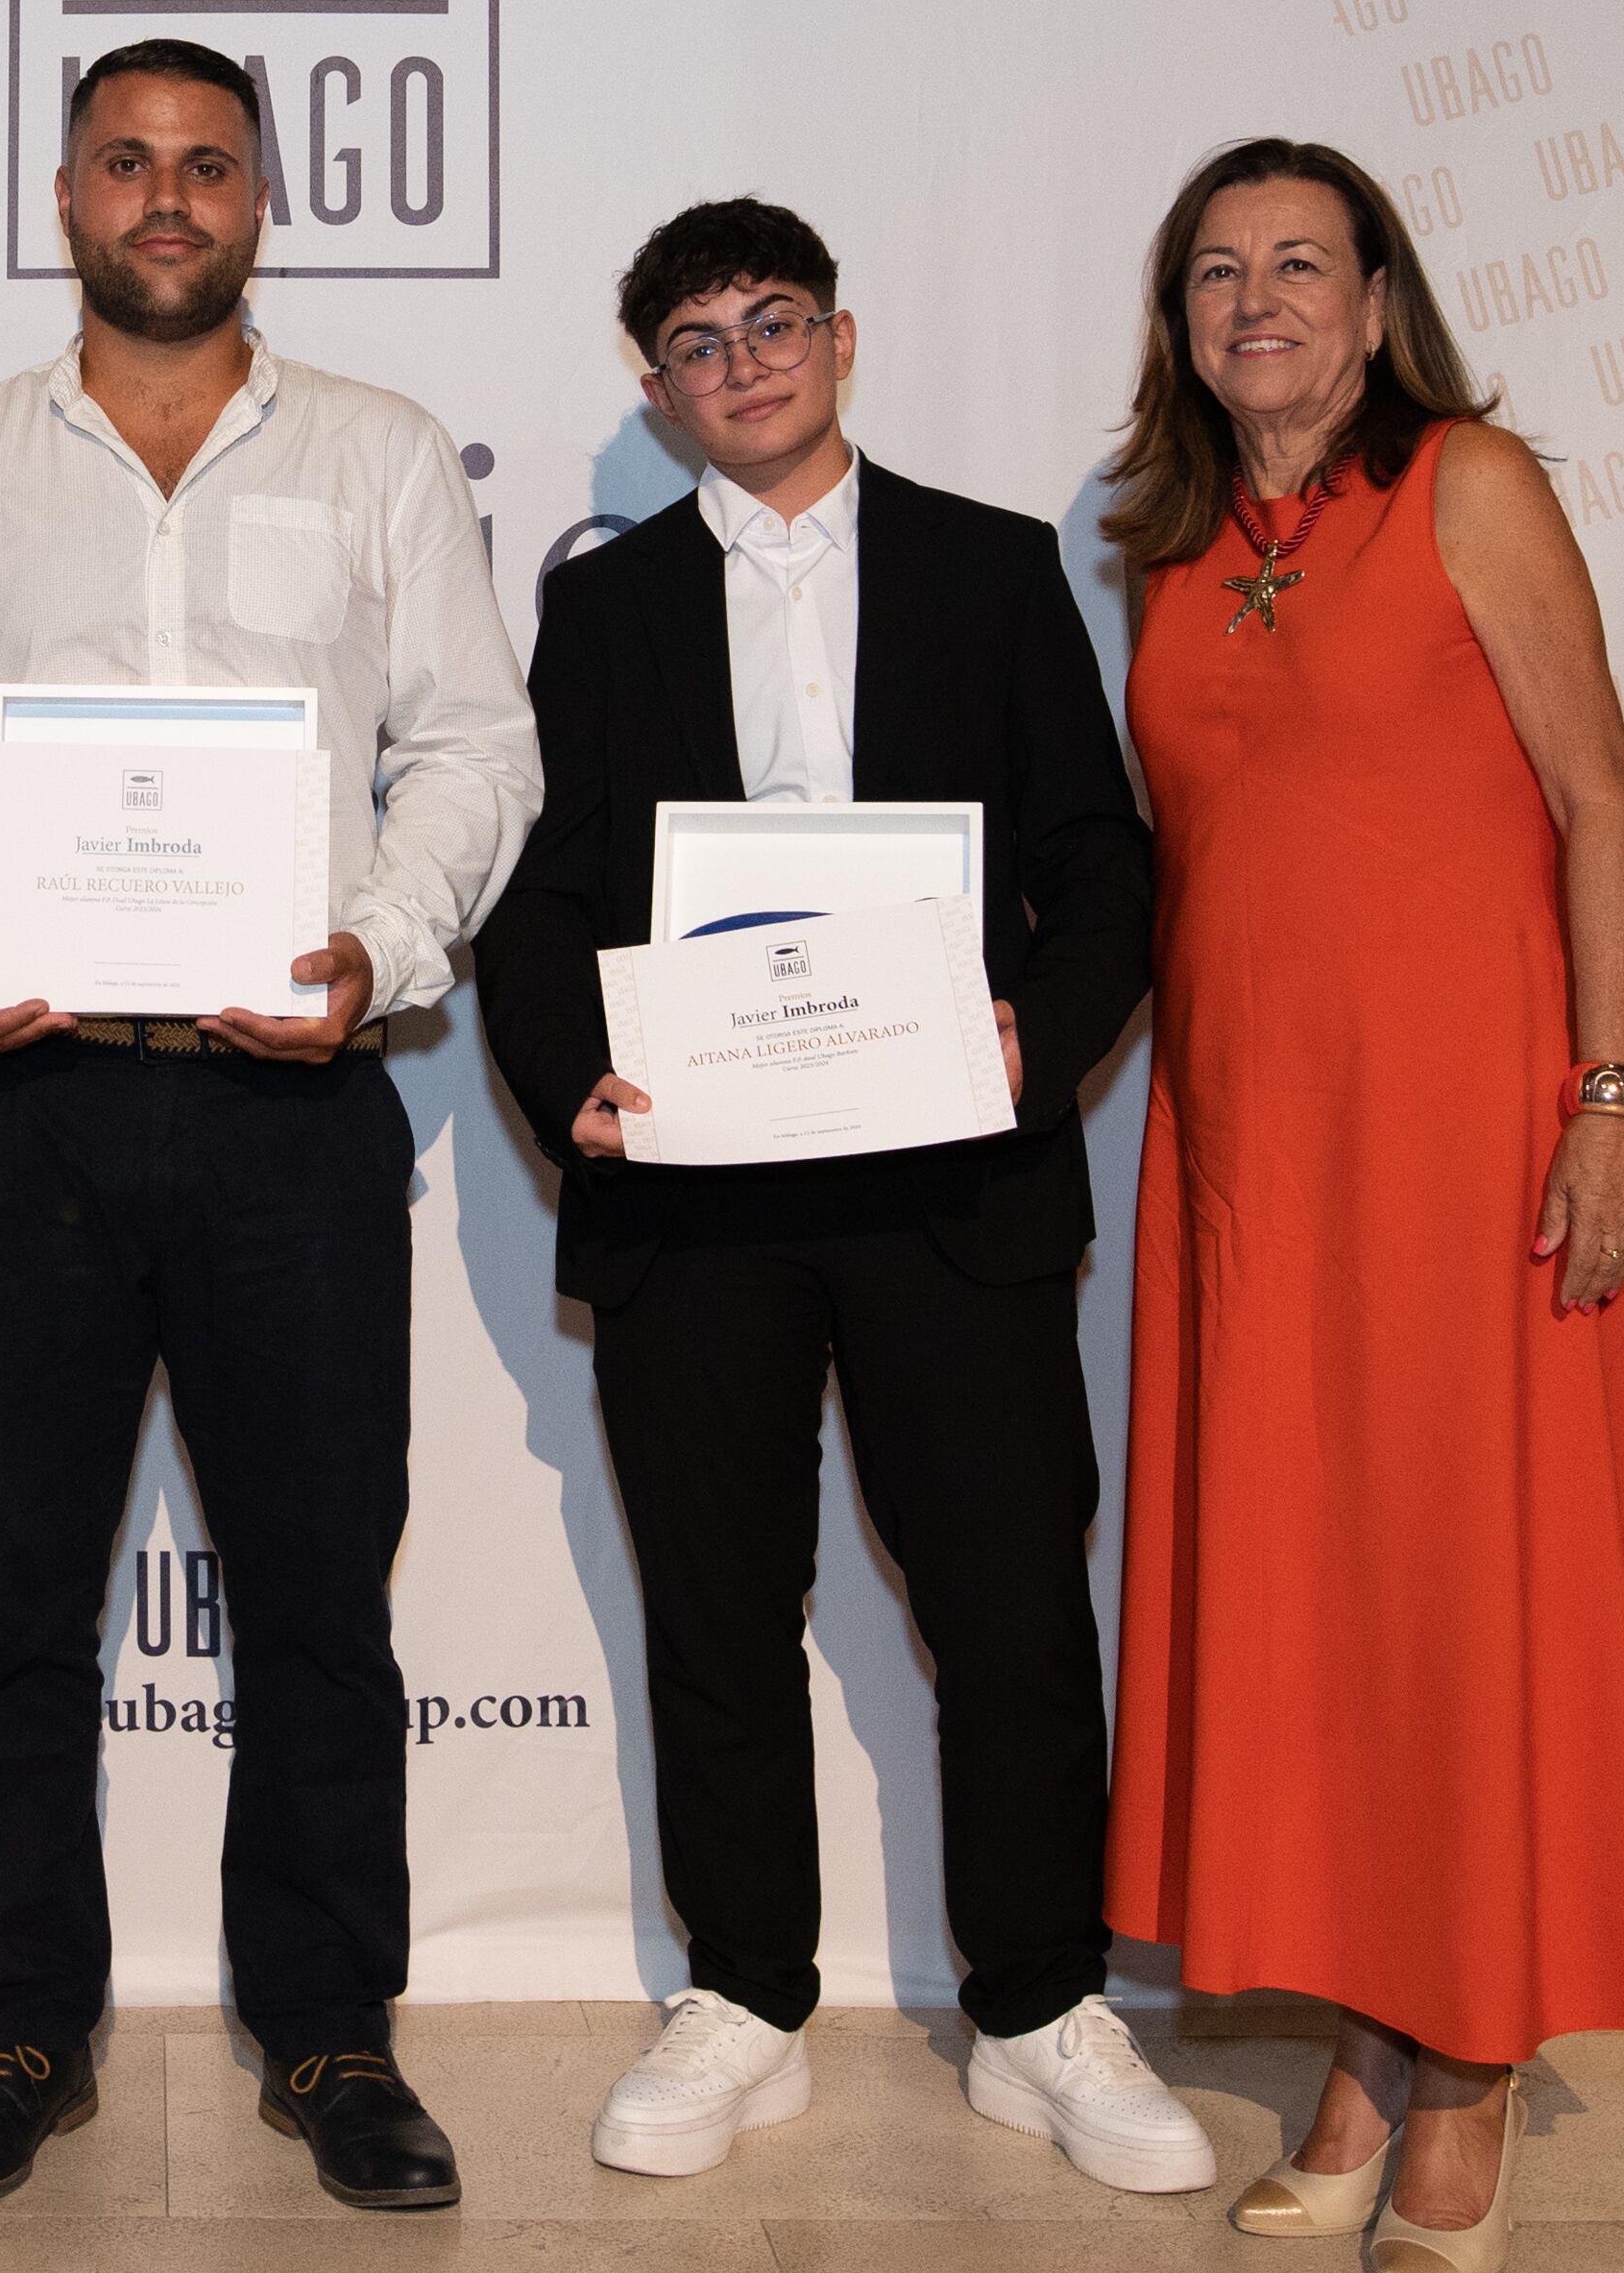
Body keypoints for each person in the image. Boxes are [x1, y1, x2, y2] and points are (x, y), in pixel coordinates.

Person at [0, 37, 540, 2213]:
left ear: (260, 200)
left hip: (288, 1111)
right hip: (16, 1104)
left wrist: (383, 944)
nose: (164, 197)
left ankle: (331, 2038)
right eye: (125, 161)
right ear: (65, 193)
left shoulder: (388, 455)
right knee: (10, 1603)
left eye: (205, 164)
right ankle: (18, 2033)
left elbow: (476, 753)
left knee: (319, 1601)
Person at [472, 198, 1208, 2195]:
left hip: (947, 1180)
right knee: (719, 1611)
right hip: (693, 1187)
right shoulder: (604, 609)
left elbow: (1105, 867)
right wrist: (573, 1092)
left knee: (1008, 1610)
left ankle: (1044, 2004)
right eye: (697, 342)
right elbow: (532, 904)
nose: (743, 362)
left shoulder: (988, 570)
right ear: (658, 390)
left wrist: (1022, 1045)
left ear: (842, 336)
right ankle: (746, 1997)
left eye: (770, 321)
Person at [1099, 138, 1624, 2272]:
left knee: (1462, 1593)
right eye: (1215, 274)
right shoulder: (1171, 547)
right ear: (1180, 325)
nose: (1256, 300)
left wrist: (1611, 1092)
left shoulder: (1471, 488)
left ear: (1375, 301)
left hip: (1464, 1149)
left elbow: (1598, 794)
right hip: (1254, 1165)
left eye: (1298, 265)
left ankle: (1466, 2066)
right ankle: (1369, 2027)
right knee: (1319, 1605)